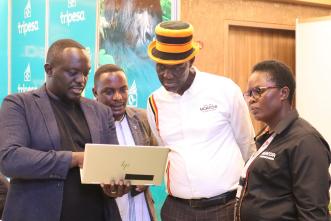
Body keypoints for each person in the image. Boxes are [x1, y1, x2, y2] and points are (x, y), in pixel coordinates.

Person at [0, 39, 124, 221]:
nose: (81, 80)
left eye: (86, 73)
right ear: (49, 70)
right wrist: (74, 159)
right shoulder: (19, 105)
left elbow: (112, 163)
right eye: (73, 73)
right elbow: (10, 159)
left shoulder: (101, 112)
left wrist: (114, 186)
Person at [146, 20, 256, 221]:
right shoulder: (154, 102)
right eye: (161, 67)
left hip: (225, 207)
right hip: (176, 209)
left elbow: (247, 144)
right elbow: (164, 150)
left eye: (176, 68)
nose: (166, 75)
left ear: (192, 60)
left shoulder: (224, 90)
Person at [235, 60, 331, 221]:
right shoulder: (267, 135)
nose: (251, 99)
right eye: (249, 93)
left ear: (283, 93)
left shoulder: (306, 141)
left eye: (258, 91)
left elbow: (313, 214)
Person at [93, 64, 158, 221]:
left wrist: (148, 180)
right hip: (104, 211)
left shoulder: (142, 117)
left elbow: (157, 159)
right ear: (95, 92)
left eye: (123, 89)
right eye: (109, 91)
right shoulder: (87, 124)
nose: (118, 97)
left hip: (141, 209)